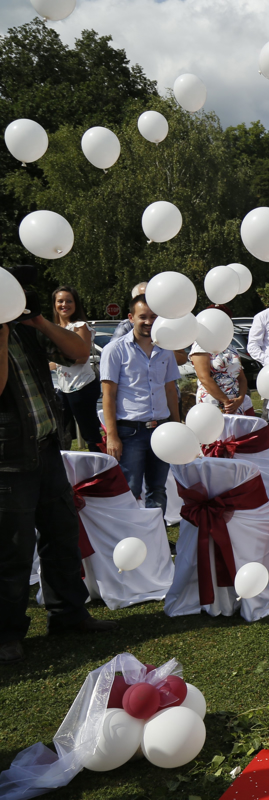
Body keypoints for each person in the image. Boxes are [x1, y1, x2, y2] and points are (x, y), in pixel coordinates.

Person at [0, 269, 117, 665]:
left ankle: (68, 614)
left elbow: (79, 353)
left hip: (47, 448)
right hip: (9, 460)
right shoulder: (4, 332)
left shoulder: (26, 328)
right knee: (12, 551)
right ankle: (6, 634)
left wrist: (36, 319)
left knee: (62, 536)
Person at [100, 295, 180, 515]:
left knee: (158, 489)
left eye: (153, 317)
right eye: (142, 317)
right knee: (130, 490)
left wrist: (176, 425)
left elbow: (170, 390)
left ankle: (157, 533)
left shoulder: (166, 348)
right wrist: (112, 436)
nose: (148, 322)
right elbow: (108, 395)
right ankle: (131, 533)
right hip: (130, 432)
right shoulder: (115, 349)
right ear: (131, 317)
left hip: (162, 429)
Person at [47, 286, 102, 452]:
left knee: (90, 434)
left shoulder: (80, 326)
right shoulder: (54, 328)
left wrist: (54, 361)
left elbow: (82, 357)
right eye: (60, 301)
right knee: (59, 431)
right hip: (63, 388)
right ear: (54, 304)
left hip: (82, 386)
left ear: (76, 304)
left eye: (69, 301)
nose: (64, 305)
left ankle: (103, 464)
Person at [190, 305, 253, 415]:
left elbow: (241, 378)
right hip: (213, 402)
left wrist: (240, 399)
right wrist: (225, 401)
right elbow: (204, 377)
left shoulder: (230, 347)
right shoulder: (201, 345)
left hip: (235, 403)